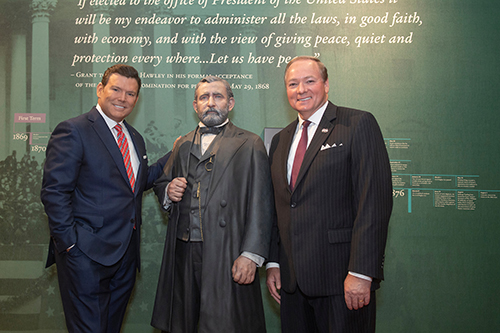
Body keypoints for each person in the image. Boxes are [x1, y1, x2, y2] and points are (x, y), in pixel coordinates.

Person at [266, 56, 393, 332]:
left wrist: (361, 272)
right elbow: (279, 207)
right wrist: (274, 262)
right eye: (293, 84)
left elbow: (374, 203)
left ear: (326, 85)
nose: (301, 90)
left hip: (342, 281)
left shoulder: (358, 124)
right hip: (292, 284)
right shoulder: (280, 140)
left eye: (309, 81)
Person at [41, 64, 170, 333]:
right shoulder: (73, 130)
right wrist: (70, 248)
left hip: (124, 258)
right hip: (85, 256)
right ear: (100, 89)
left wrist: (178, 151)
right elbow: (54, 192)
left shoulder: (134, 137)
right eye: (116, 89)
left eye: (131, 94)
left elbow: (138, 183)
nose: (123, 98)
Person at [151, 75, 274, 333]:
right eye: (204, 98)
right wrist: (168, 191)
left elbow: (262, 203)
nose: (210, 103)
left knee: (226, 324)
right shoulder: (182, 144)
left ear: (230, 103)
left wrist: (251, 255)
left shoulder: (250, 143)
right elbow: (163, 182)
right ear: (195, 106)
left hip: (229, 251)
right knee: (181, 324)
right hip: (184, 252)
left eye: (217, 96)